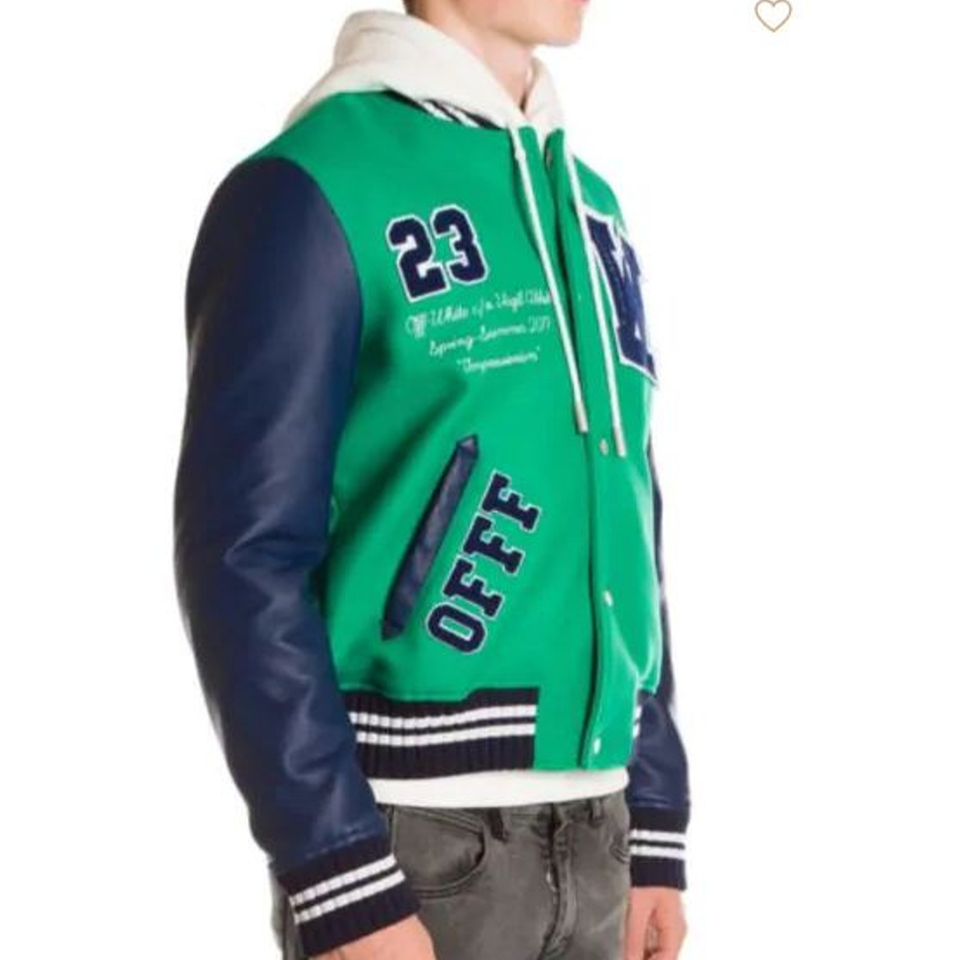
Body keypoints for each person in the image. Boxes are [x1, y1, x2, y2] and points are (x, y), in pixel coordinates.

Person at [173, 2, 691, 958]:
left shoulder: (590, 206)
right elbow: (241, 554)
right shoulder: (311, 186)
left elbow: (627, 515)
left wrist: (655, 815)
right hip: (413, 847)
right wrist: (337, 874)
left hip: (603, 835)